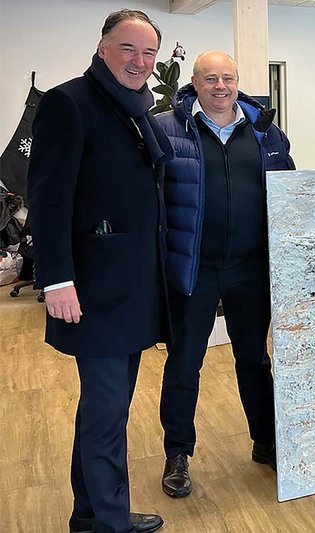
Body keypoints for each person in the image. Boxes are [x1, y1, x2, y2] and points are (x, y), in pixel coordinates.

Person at [26, 9, 173, 533]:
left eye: (149, 53)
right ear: (103, 48)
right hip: (93, 290)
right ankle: (110, 523)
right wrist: (57, 279)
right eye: (129, 49)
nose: (140, 61)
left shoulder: (135, 107)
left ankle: (89, 515)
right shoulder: (70, 102)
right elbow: (46, 200)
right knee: (107, 415)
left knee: (102, 413)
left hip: (129, 288)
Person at [156, 51, 295, 498]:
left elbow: (290, 196)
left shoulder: (264, 132)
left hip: (250, 269)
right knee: (184, 362)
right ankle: (177, 453)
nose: (220, 86)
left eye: (228, 78)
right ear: (194, 83)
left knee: (254, 359)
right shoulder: (167, 130)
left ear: (238, 82)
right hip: (194, 269)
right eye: (210, 78)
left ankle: (266, 441)